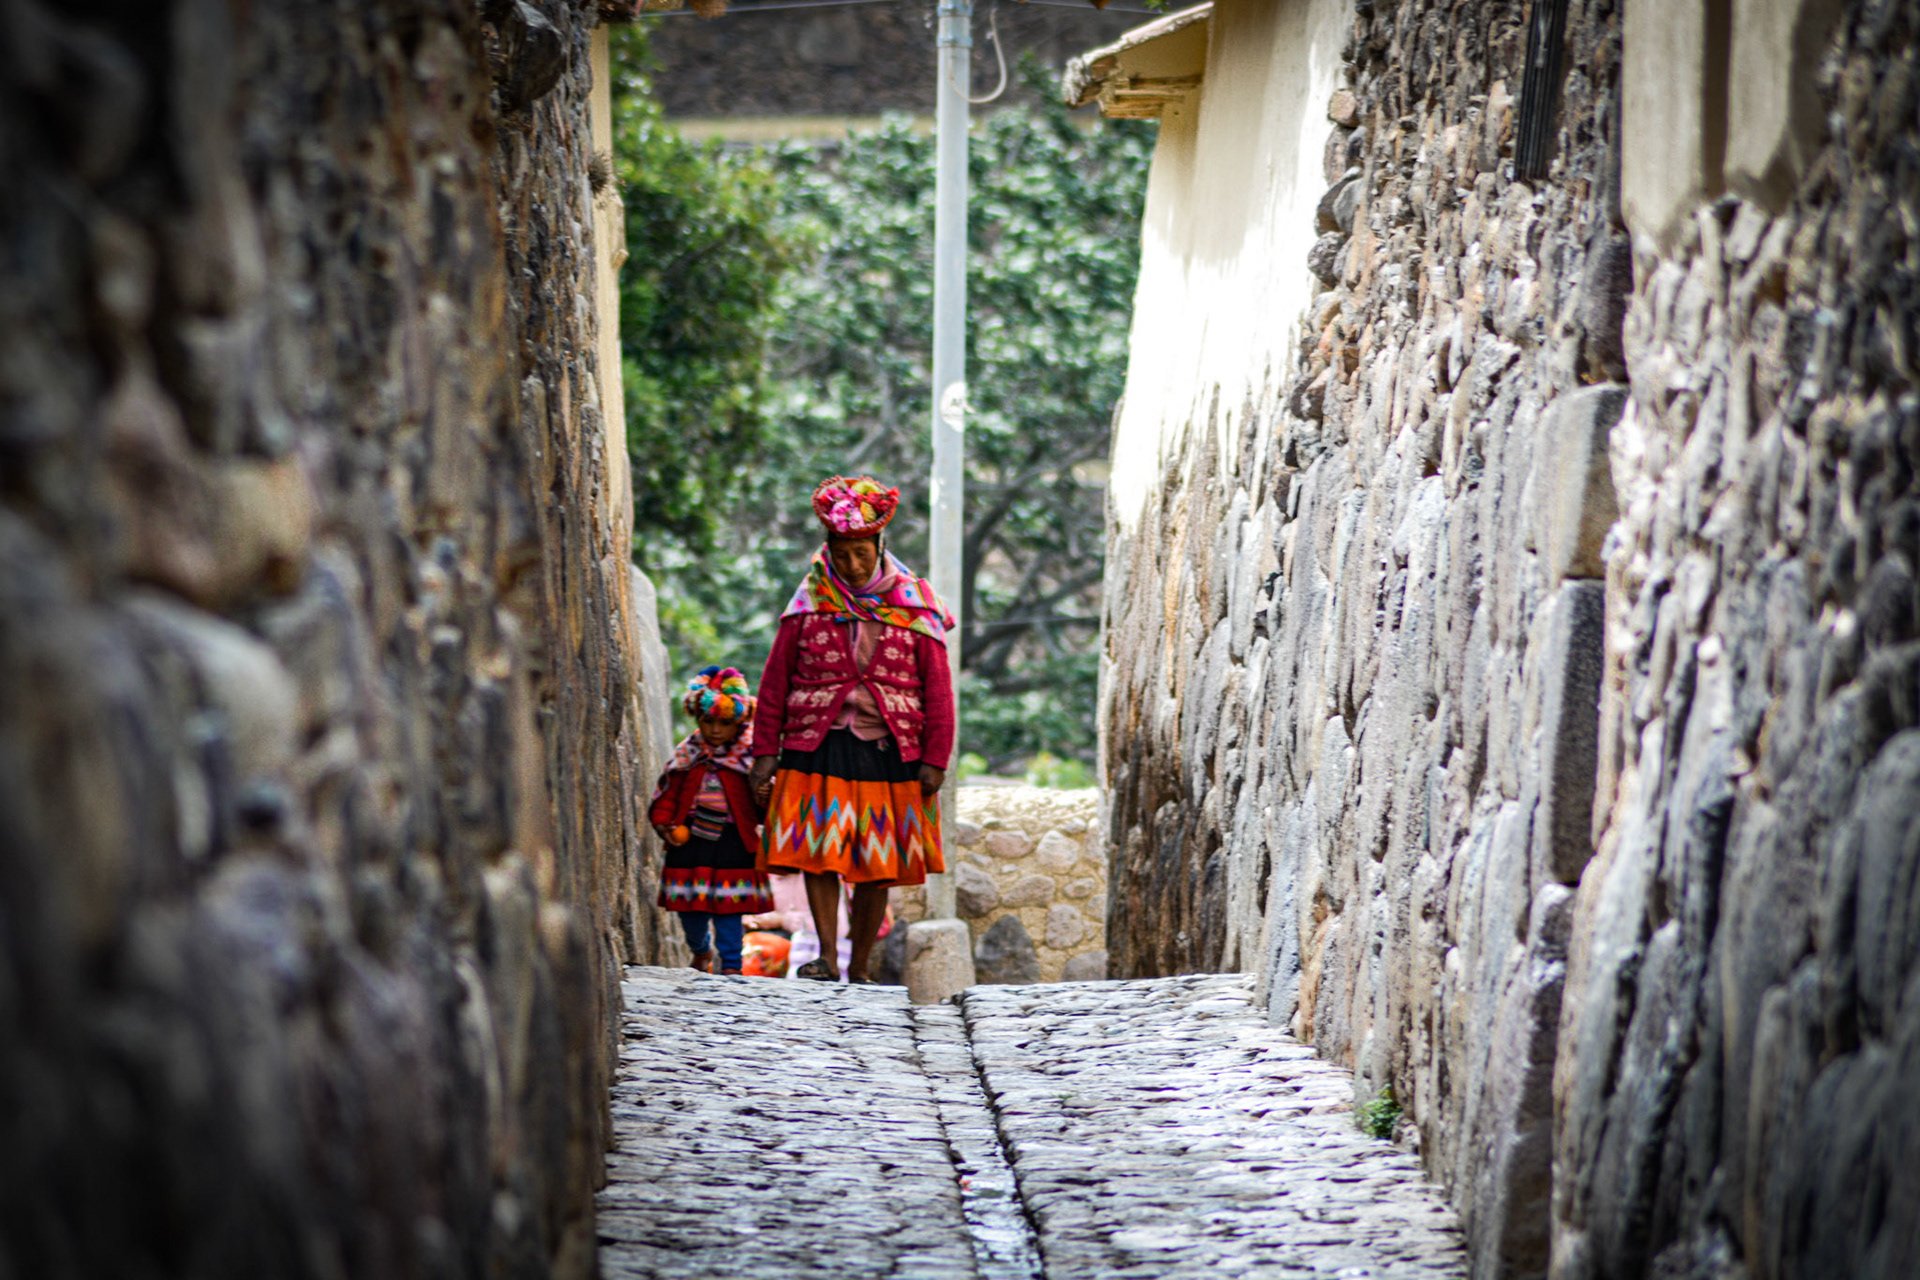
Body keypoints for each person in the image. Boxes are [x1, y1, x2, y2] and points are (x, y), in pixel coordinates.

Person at [749, 475, 954, 984]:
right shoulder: (809, 605)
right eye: (842, 555)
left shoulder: (914, 607)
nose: (852, 565)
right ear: (830, 550)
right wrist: (765, 752)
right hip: (818, 746)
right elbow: (775, 682)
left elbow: (938, 692)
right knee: (818, 855)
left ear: (879, 547)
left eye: (861, 553)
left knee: (877, 865)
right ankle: (825, 955)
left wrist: (935, 759)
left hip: (889, 751)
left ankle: (859, 964)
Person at [650, 667, 774, 976]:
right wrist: (663, 821)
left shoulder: (752, 761)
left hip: (733, 844)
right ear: (697, 718)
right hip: (690, 843)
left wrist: (767, 796)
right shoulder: (688, 756)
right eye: (709, 721)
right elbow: (669, 792)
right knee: (689, 909)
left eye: (725, 723)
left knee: (729, 909)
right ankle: (700, 949)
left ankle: (732, 963)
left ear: (740, 722)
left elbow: (764, 808)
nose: (716, 730)